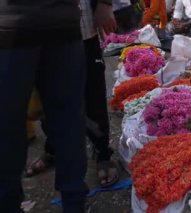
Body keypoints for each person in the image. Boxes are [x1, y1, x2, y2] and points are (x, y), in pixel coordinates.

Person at [0, 0, 88, 212]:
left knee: (8, 125)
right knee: (68, 121)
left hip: (16, 26)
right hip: (57, 25)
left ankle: (8, 203)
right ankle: (74, 201)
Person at [25, 0, 120, 188]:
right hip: (38, 26)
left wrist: (105, 3)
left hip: (82, 25)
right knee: (48, 94)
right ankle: (53, 148)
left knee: (92, 92)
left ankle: (102, 152)